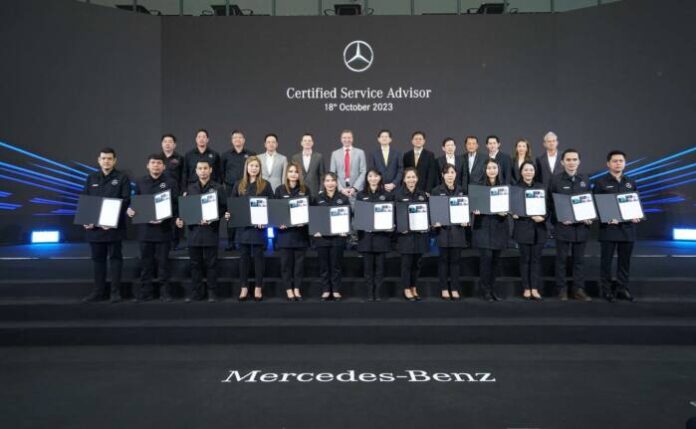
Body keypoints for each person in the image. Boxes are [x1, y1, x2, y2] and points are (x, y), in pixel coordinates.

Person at [81, 148, 131, 303]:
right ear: (99, 160)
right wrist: (86, 219)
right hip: (95, 228)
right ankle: (98, 292)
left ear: (114, 160)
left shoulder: (122, 178)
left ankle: (115, 293)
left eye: (109, 158)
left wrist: (110, 219)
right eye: (103, 158)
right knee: (98, 260)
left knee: (115, 259)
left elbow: (126, 200)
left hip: (113, 227)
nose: (106, 161)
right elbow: (86, 199)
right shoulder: (91, 178)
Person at [127, 154, 179, 302]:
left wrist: (166, 216)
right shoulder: (140, 182)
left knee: (163, 263)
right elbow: (134, 201)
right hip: (145, 230)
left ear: (163, 166)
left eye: (159, 163)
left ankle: (164, 292)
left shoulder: (171, 182)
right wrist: (130, 209)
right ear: (148, 165)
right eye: (153, 163)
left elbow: (176, 204)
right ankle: (146, 291)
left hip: (164, 229)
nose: (156, 165)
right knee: (146, 263)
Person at [592, 150, 640, 302]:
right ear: (608, 164)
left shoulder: (630, 182)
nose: (618, 163)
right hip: (609, 229)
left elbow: (635, 202)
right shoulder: (600, 183)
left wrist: (637, 215)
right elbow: (595, 205)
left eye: (621, 161)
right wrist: (606, 218)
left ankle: (622, 288)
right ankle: (606, 290)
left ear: (625, 163)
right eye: (615, 161)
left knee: (624, 262)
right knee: (606, 262)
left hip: (628, 229)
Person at [175, 159, 226, 302]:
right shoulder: (189, 188)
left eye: (205, 168)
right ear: (196, 171)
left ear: (210, 170)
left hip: (211, 231)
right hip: (194, 232)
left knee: (211, 264)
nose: (203, 171)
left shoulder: (218, 188)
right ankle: (197, 292)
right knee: (195, 264)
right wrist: (180, 219)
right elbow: (184, 209)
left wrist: (213, 218)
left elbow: (224, 207)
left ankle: (212, 292)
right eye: (200, 168)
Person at [549, 148, 593, 301]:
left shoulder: (585, 179)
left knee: (579, 261)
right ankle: (561, 289)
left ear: (579, 162)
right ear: (562, 162)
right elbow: (550, 204)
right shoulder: (555, 180)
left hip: (581, 228)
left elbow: (589, 201)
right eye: (568, 160)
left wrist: (590, 217)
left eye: (574, 159)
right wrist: (559, 218)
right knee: (561, 260)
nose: (571, 162)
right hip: (563, 227)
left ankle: (578, 289)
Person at [230, 156, 274, 301]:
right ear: (246, 167)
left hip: (259, 229)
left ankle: (258, 287)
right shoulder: (239, 184)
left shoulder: (265, 185)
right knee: (244, 259)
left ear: (260, 168)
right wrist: (229, 214)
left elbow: (272, 206)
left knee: (259, 259)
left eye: (256, 166)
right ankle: (244, 287)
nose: (254, 168)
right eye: (251, 166)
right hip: (243, 229)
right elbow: (233, 205)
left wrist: (265, 221)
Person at [472, 159, 509, 302]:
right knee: (485, 260)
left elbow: (510, 207)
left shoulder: (504, 188)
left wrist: (506, 211)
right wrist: (474, 210)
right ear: (485, 170)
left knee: (495, 261)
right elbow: (472, 207)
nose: (492, 170)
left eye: (494, 167)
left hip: (499, 226)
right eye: (489, 168)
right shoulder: (479, 188)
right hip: (483, 227)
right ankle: (485, 290)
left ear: (498, 169)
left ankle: (492, 289)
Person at [431, 163, 469, 300]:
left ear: (456, 174)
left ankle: (454, 288)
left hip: (457, 232)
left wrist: (466, 220)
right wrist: (435, 222)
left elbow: (467, 210)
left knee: (455, 261)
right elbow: (433, 211)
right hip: (442, 232)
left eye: (452, 172)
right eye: (447, 173)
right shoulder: (436, 191)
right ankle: (444, 288)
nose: (450, 175)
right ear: (443, 175)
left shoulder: (462, 190)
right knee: (443, 261)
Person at [274, 161, 312, 301]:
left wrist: (305, 220)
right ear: (286, 174)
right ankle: (289, 289)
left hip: (300, 234)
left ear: (299, 174)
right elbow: (274, 211)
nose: (293, 174)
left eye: (296, 172)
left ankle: (297, 288)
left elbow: (310, 210)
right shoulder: (280, 190)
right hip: (284, 235)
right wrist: (279, 223)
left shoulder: (305, 190)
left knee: (299, 265)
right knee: (286, 264)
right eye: (290, 171)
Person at [356, 169, 395, 301]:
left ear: (380, 178)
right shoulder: (361, 195)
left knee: (380, 268)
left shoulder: (387, 195)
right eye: (370, 176)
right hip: (366, 238)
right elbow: (358, 216)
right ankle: (369, 293)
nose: (373, 178)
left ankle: (377, 292)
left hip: (382, 238)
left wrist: (390, 226)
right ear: (367, 178)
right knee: (367, 268)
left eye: (376, 176)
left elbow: (391, 215)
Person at [512, 161, 547, 300]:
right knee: (525, 259)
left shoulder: (541, 187)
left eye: (531, 170)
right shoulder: (515, 189)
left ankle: (535, 288)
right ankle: (526, 288)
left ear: (535, 172)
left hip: (539, 229)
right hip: (523, 229)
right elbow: (511, 207)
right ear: (521, 172)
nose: (528, 172)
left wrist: (543, 217)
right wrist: (513, 213)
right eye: (525, 170)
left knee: (536, 260)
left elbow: (548, 207)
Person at [312, 172, 349, 300]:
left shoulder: (343, 198)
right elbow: (313, 216)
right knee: (324, 265)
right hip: (321, 238)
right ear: (324, 183)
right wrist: (315, 230)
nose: (330, 183)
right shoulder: (317, 198)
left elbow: (348, 216)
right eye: (327, 181)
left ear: (336, 182)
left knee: (336, 265)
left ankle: (336, 289)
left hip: (338, 237)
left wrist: (345, 230)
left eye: (333, 180)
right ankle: (326, 289)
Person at [395, 168, 429, 301]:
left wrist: (427, 225)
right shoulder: (398, 195)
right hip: (405, 237)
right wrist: (400, 227)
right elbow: (394, 216)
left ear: (417, 178)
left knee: (417, 263)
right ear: (404, 179)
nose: (411, 180)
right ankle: (406, 288)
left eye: (413, 177)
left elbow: (427, 214)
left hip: (419, 236)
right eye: (408, 177)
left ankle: (414, 287)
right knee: (406, 264)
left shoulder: (422, 195)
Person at [221, 130, 256, 250]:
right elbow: (222, 172)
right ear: (232, 140)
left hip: (247, 187)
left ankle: (245, 241)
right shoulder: (225, 155)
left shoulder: (251, 154)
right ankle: (231, 242)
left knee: (247, 213)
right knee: (231, 215)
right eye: (235, 137)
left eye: (240, 137)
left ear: (244, 140)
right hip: (230, 187)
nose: (237, 139)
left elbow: (254, 169)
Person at [160, 134, 185, 249]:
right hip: (160, 191)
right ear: (162, 144)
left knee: (175, 216)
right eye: (165, 141)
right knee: (162, 216)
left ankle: (175, 242)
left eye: (170, 142)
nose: (167, 144)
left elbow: (183, 176)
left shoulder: (179, 158)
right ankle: (164, 241)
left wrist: (183, 190)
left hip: (175, 191)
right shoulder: (158, 158)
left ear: (174, 145)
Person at [329, 129, 367, 199]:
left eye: (349, 137)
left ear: (352, 139)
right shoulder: (335, 154)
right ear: (341, 139)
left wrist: (355, 188)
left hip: (357, 190)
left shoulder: (360, 153)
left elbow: (363, 171)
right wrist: (341, 189)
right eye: (344, 138)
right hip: (340, 191)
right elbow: (332, 173)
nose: (347, 140)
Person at [290, 133, 324, 197]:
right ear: (301, 143)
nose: (307, 142)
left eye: (309, 141)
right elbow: (293, 174)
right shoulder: (295, 158)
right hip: (299, 190)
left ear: (312, 143)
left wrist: (321, 190)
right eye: (305, 140)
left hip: (314, 191)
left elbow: (322, 175)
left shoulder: (319, 157)